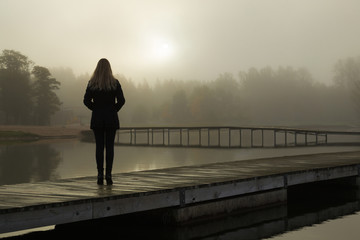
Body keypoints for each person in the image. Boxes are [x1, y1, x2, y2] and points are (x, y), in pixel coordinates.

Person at [83, 58, 125, 185]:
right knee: (110, 147)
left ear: (97, 68)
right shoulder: (115, 83)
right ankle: (109, 176)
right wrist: (113, 110)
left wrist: (95, 109)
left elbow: (86, 101)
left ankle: (100, 176)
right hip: (111, 118)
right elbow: (122, 100)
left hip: (97, 119)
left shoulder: (92, 83)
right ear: (109, 68)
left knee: (99, 147)